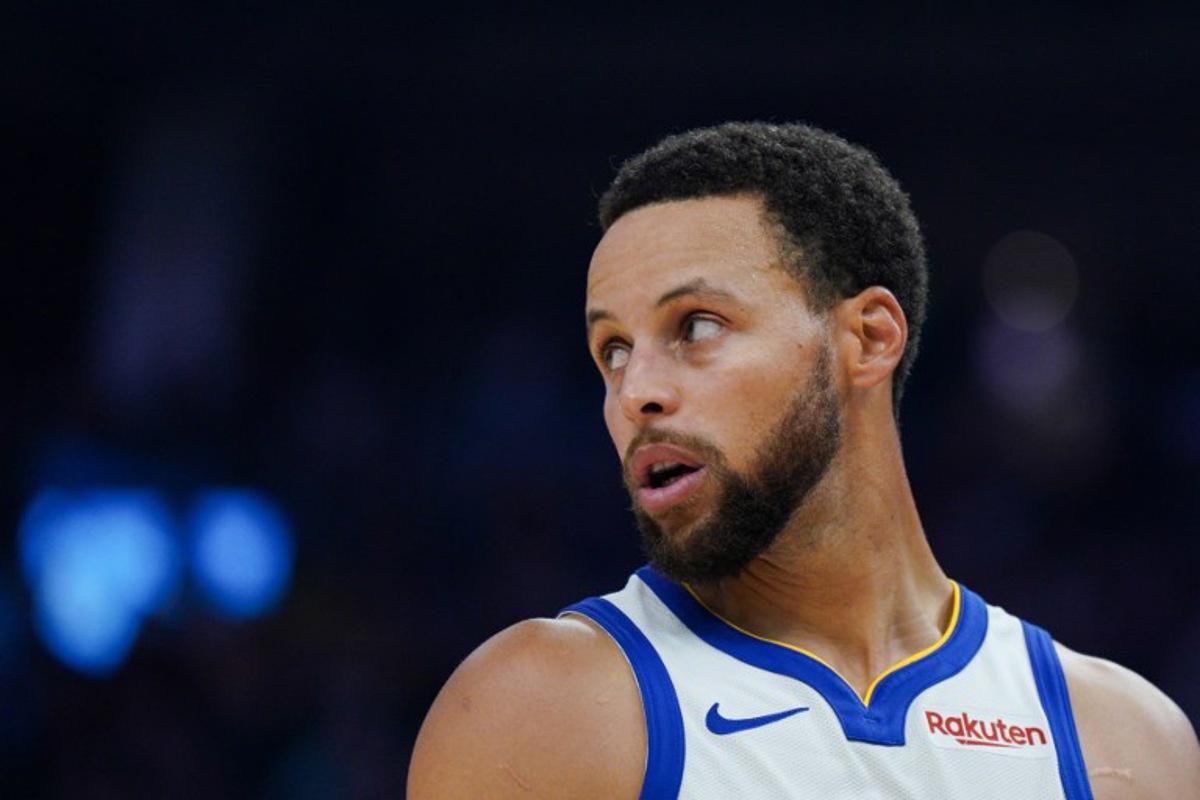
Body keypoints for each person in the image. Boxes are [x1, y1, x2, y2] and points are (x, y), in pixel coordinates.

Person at [407, 122, 1200, 799]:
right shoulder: (543, 709)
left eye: (696, 327)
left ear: (869, 339)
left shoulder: (1124, 743)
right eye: (612, 349)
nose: (634, 392)